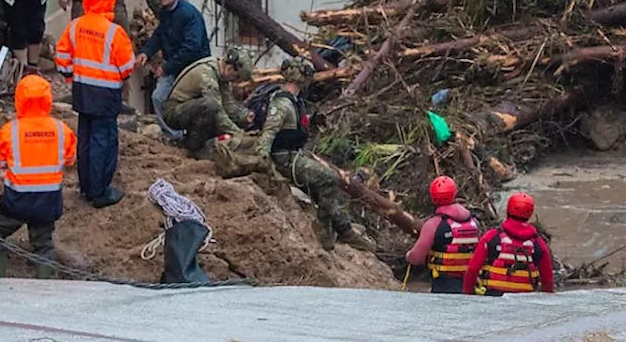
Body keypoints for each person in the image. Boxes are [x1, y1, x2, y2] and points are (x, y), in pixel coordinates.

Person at [248, 57, 377, 253]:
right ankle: (324, 227)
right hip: (284, 158)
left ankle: (343, 227)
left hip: (295, 153)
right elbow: (269, 132)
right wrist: (263, 160)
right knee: (328, 179)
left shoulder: (293, 100)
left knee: (325, 182)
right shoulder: (282, 103)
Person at [0, 74, 77, 279]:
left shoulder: (11, 131)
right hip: (48, 200)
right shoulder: (61, 130)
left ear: (19, 100)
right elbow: (70, 159)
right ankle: (45, 289)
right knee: (43, 245)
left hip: (17, 200)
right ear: (48, 99)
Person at [54, 0, 136, 208]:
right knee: (104, 141)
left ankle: (86, 188)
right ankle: (100, 193)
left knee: (86, 139)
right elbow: (127, 66)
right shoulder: (114, 32)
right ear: (111, 0)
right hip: (106, 93)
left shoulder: (75, 25)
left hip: (81, 90)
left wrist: (71, 76)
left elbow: (61, 56)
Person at [136, 0, 211, 140]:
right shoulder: (165, 13)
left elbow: (192, 47)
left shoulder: (189, 14)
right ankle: (173, 136)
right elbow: (159, 35)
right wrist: (146, 52)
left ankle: (199, 139)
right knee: (159, 97)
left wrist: (167, 67)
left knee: (194, 104)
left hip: (193, 68)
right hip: (174, 66)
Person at [160, 47, 251, 158]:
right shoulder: (207, 72)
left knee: (215, 112)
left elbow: (228, 106)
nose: (234, 81)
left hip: (188, 109)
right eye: (236, 77)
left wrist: (245, 117)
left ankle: (193, 145)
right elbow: (216, 109)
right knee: (210, 107)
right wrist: (238, 133)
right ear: (230, 69)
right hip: (173, 111)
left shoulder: (220, 75)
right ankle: (191, 148)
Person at [462, 192, 555, 296]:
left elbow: (473, 269)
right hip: (525, 301)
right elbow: (548, 280)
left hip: (493, 298)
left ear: (508, 209)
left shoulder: (492, 237)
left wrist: (467, 294)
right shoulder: (538, 244)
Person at [406, 176, 481, 293]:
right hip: (470, 284)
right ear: (454, 193)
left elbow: (416, 258)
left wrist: (408, 255)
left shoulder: (433, 224)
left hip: (444, 284)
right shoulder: (474, 222)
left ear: (432, 197)